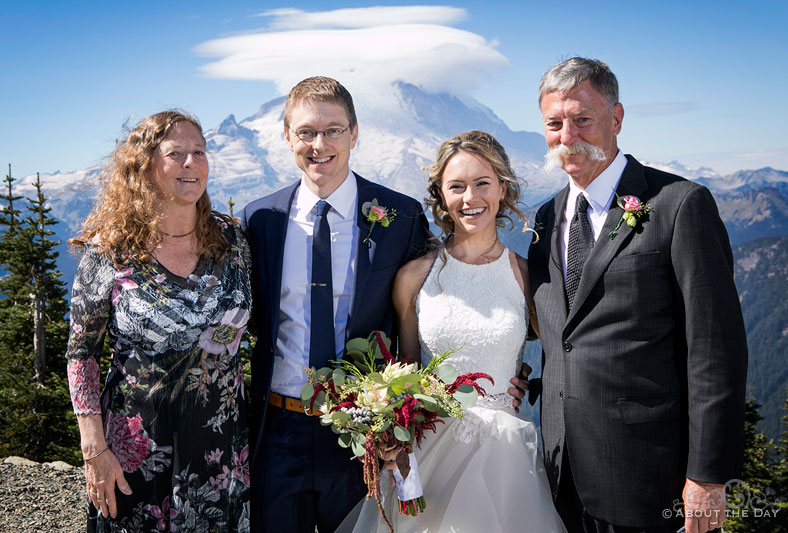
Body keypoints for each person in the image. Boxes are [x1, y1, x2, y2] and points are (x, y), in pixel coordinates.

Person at [524, 57, 748, 532]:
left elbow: (715, 349)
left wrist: (707, 476)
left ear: (617, 118)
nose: (568, 136)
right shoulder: (545, 218)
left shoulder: (679, 205)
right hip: (559, 472)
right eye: (554, 123)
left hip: (649, 474)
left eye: (583, 119)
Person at [341, 130, 566, 532]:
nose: (470, 198)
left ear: (502, 189)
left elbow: (565, 352)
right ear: (441, 196)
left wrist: (528, 383)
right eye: (456, 186)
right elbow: (405, 372)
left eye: (482, 183)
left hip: (505, 456)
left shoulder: (527, 276)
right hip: (430, 452)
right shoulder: (415, 277)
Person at [242, 76, 430, 533]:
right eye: (306, 131)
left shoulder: (401, 217)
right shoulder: (259, 220)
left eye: (334, 130)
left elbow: (435, 308)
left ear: (354, 133)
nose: (319, 144)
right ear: (287, 137)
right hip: (278, 429)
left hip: (362, 433)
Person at [66, 110, 252, 532]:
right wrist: (93, 448)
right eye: (176, 153)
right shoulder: (110, 248)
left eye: (199, 152)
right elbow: (82, 355)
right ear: (145, 166)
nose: (191, 163)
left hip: (221, 452)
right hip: (135, 450)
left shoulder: (234, 239)